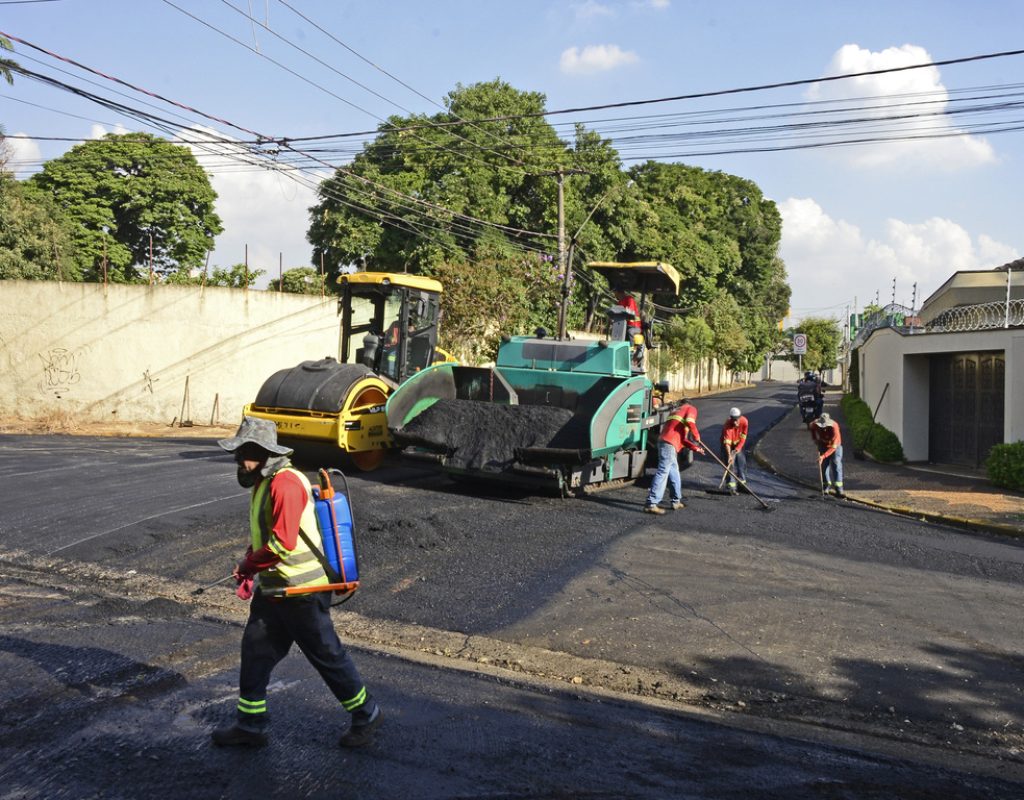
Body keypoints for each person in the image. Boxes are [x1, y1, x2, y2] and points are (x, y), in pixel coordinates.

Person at [211, 416, 383, 748]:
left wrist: (249, 563)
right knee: (256, 651)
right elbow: (267, 535)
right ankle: (250, 725)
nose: (241, 461)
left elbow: (282, 544)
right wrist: (249, 567)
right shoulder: (265, 482)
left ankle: (367, 713)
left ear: (267, 454)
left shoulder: (285, 483)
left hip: (302, 592)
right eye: (240, 453)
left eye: (248, 453)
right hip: (276, 589)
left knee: (326, 655)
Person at [645, 398, 704, 514]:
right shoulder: (690, 408)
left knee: (674, 471)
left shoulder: (675, 412)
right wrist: (697, 436)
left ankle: (676, 501)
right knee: (663, 471)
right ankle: (651, 503)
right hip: (669, 444)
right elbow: (691, 422)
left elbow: (682, 438)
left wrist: (695, 448)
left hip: (664, 442)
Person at [811, 412, 845, 498]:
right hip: (823, 445)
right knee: (823, 465)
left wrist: (823, 456)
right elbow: (811, 427)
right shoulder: (815, 424)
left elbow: (833, 447)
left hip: (835, 447)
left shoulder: (834, 427)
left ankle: (839, 488)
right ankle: (826, 486)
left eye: (825, 425)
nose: (824, 427)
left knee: (836, 464)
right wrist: (815, 439)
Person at [720, 407, 749, 495]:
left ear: (740, 418)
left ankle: (742, 485)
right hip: (727, 446)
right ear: (731, 418)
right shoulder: (727, 425)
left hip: (738, 444)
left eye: (736, 420)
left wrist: (737, 449)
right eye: (733, 420)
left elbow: (743, 437)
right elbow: (727, 444)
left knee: (741, 464)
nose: (735, 422)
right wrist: (729, 455)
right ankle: (732, 487)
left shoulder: (744, 421)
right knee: (730, 465)